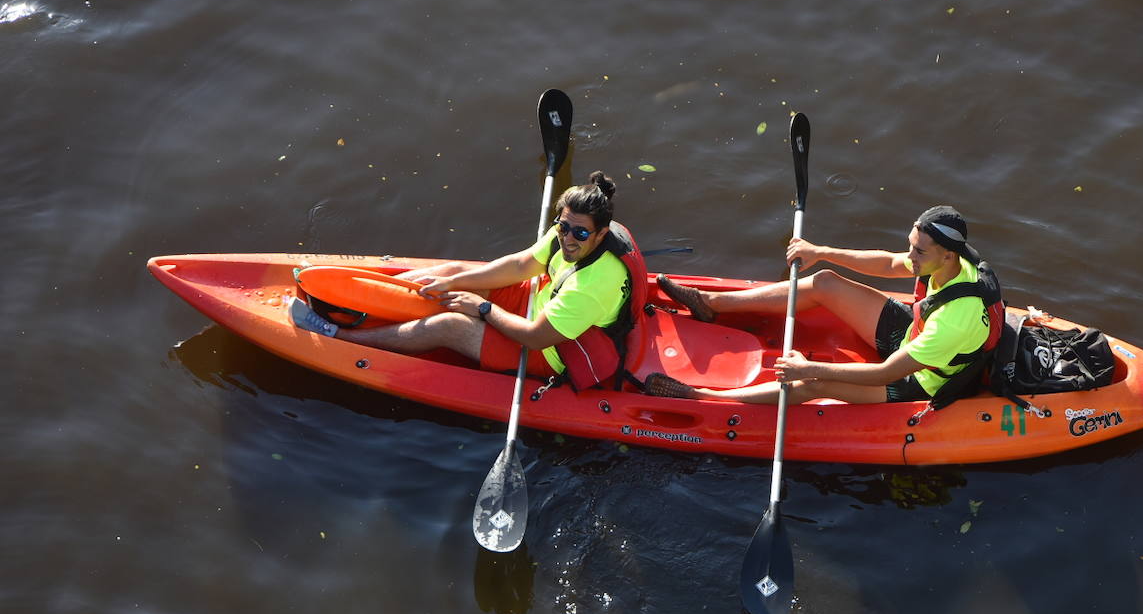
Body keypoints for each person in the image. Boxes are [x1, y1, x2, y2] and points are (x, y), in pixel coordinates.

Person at [288, 171, 629, 380]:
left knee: (449, 326)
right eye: (563, 227)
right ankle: (373, 301)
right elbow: (520, 266)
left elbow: (536, 338)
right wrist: (454, 283)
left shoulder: (591, 286)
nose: (568, 239)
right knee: (456, 272)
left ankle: (340, 337)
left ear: (601, 235)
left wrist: (481, 308)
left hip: (551, 350)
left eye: (580, 234)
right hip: (538, 301)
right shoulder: (568, 230)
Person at [645, 205, 995, 405]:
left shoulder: (955, 319)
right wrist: (821, 252)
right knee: (826, 282)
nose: (910, 257)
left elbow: (887, 372)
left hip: (918, 379)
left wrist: (810, 370)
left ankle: (704, 397)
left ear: (947, 255)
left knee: (813, 384)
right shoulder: (948, 260)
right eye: (911, 245)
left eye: (918, 252)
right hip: (912, 334)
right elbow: (890, 263)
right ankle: (712, 304)